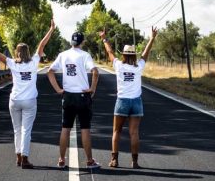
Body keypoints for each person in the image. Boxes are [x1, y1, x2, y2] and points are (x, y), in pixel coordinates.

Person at [0, 19, 55, 169]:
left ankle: (18, 157)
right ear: (28, 52)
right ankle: (24, 158)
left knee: (17, 130)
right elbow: (42, 44)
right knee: (26, 130)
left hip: (14, 100)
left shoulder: (12, 63)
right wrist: (51, 29)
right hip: (30, 101)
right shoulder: (34, 62)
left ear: (17, 52)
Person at [99, 26, 157, 169]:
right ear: (134, 55)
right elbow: (146, 53)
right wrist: (152, 38)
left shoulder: (119, 65)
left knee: (116, 132)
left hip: (122, 101)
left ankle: (114, 160)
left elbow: (110, 52)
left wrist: (104, 39)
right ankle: (135, 162)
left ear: (124, 55)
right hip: (136, 102)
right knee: (134, 133)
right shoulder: (139, 67)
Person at [47, 31, 101, 169]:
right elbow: (95, 71)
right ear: (82, 42)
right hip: (82, 96)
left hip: (68, 95)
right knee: (85, 129)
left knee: (65, 128)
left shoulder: (63, 55)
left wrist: (58, 90)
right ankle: (89, 161)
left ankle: (61, 160)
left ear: (71, 42)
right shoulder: (85, 55)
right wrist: (92, 88)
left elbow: (50, 71)